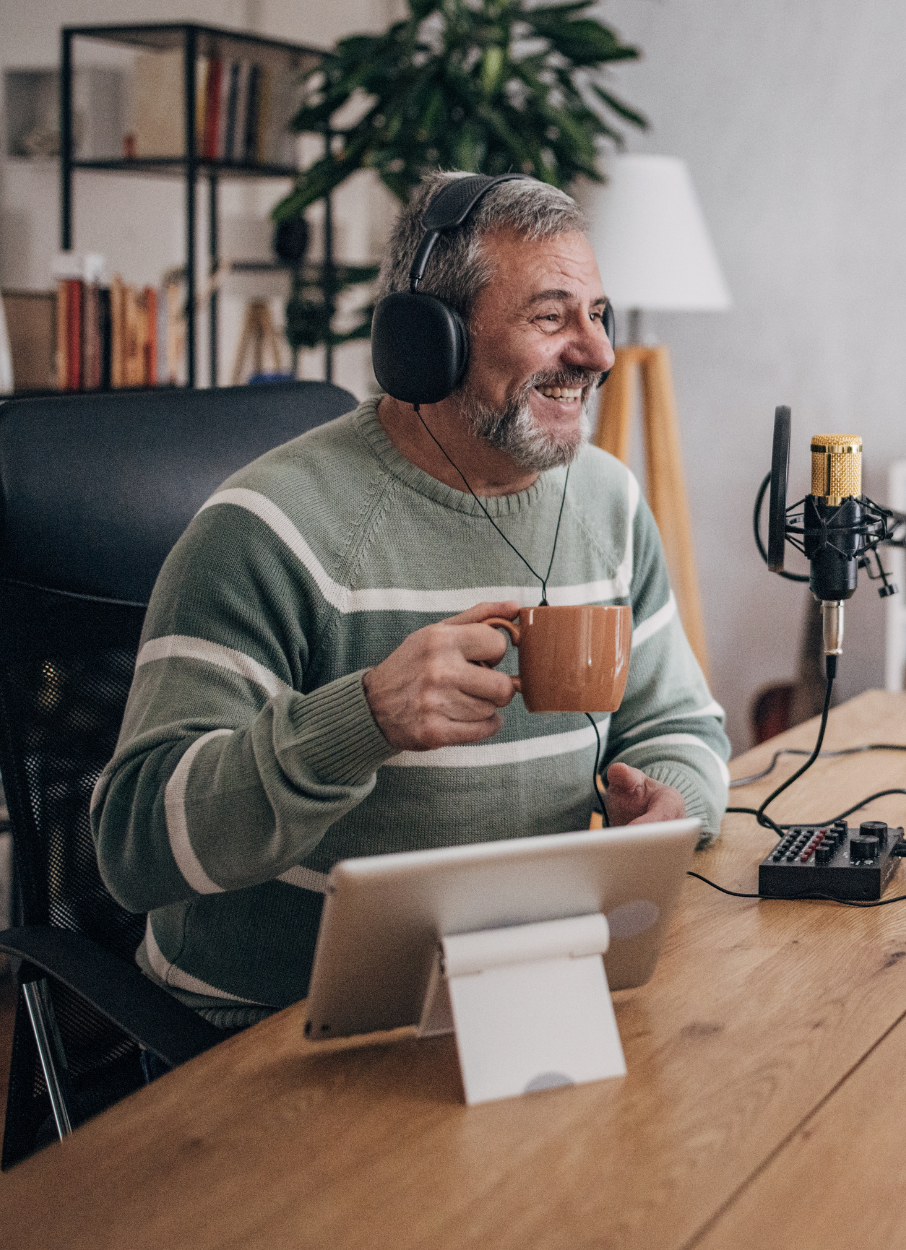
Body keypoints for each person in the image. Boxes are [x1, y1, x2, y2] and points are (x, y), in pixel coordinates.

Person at [94, 172, 728, 1028]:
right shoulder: (267, 531)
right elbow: (132, 845)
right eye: (551, 317)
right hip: (275, 1034)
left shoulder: (607, 504)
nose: (599, 353)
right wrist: (364, 719)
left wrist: (672, 801)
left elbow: (683, 726)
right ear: (430, 341)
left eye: (599, 316)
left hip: (511, 995)